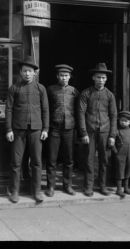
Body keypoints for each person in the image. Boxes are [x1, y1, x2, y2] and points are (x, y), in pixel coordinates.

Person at [5, 56, 49, 203]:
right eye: (24, 71)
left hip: (36, 130)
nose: (27, 74)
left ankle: (36, 191)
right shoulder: (14, 88)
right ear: (20, 72)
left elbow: (45, 110)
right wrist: (8, 129)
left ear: (34, 73)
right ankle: (14, 191)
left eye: (30, 71)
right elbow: (9, 109)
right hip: (18, 130)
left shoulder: (40, 88)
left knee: (36, 162)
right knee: (16, 162)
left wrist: (45, 129)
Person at [78, 63, 117, 197]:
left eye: (103, 78)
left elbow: (113, 115)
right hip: (90, 131)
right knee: (89, 159)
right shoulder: (86, 93)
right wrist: (83, 132)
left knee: (104, 160)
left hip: (105, 131)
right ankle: (89, 187)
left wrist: (112, 135)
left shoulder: (109, 95)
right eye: (98, 77)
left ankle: (102, 186)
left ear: (106, 79)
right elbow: (81, 113)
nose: (101, 80)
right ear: (93, 77)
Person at [45, 64, 80, 197]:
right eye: (61, 75)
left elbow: (79, 110)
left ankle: (68, 185)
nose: (64, 78)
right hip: (54, 128)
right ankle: (51, 187)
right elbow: (45, 109)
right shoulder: (50, 90)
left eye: (66, 75)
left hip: (69, 129)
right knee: (52, 159)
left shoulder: (74, 91)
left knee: (69, 159)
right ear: (57, 76)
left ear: (70, 77)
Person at [112, 111, 130, 197]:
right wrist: (116, 152)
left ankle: (126, 188)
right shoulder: (117, 131)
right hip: (120, 154)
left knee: (128, 169)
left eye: (125, 121)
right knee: (120, 170)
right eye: (121, 120)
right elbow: (111, 144)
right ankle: (119, 189)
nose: (123, 122)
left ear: (129, 122)